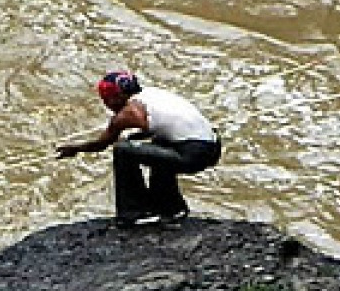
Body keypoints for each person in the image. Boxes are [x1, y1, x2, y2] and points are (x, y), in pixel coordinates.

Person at [55, 70, 222, 226]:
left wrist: (75, 149)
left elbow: (103, 143)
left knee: (123, 150)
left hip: (194, 154)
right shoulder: (150, 94)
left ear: (115, 97)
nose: (106, 104)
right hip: (211, 145)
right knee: (158, 146)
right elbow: (161, 123)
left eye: (106, 99)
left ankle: (134, 212)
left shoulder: (128, 113)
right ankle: (170, 208)